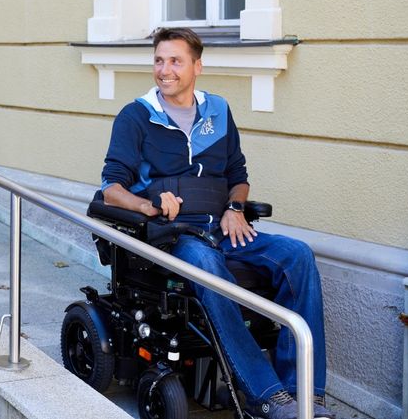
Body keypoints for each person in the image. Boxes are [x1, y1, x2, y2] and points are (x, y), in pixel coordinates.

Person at [100, 27, 333, 419]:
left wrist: (236, 208)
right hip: (174, 237)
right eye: (159, 60)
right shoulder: (136, 116)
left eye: (175, 61)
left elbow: (238, 176)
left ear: (197, 66)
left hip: (223, 228)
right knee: (210, 269)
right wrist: (148, 205)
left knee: (297, 255)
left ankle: (305, 392)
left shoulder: (218, 111)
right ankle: (268, 396)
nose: (165, 70)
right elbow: (111, 189)